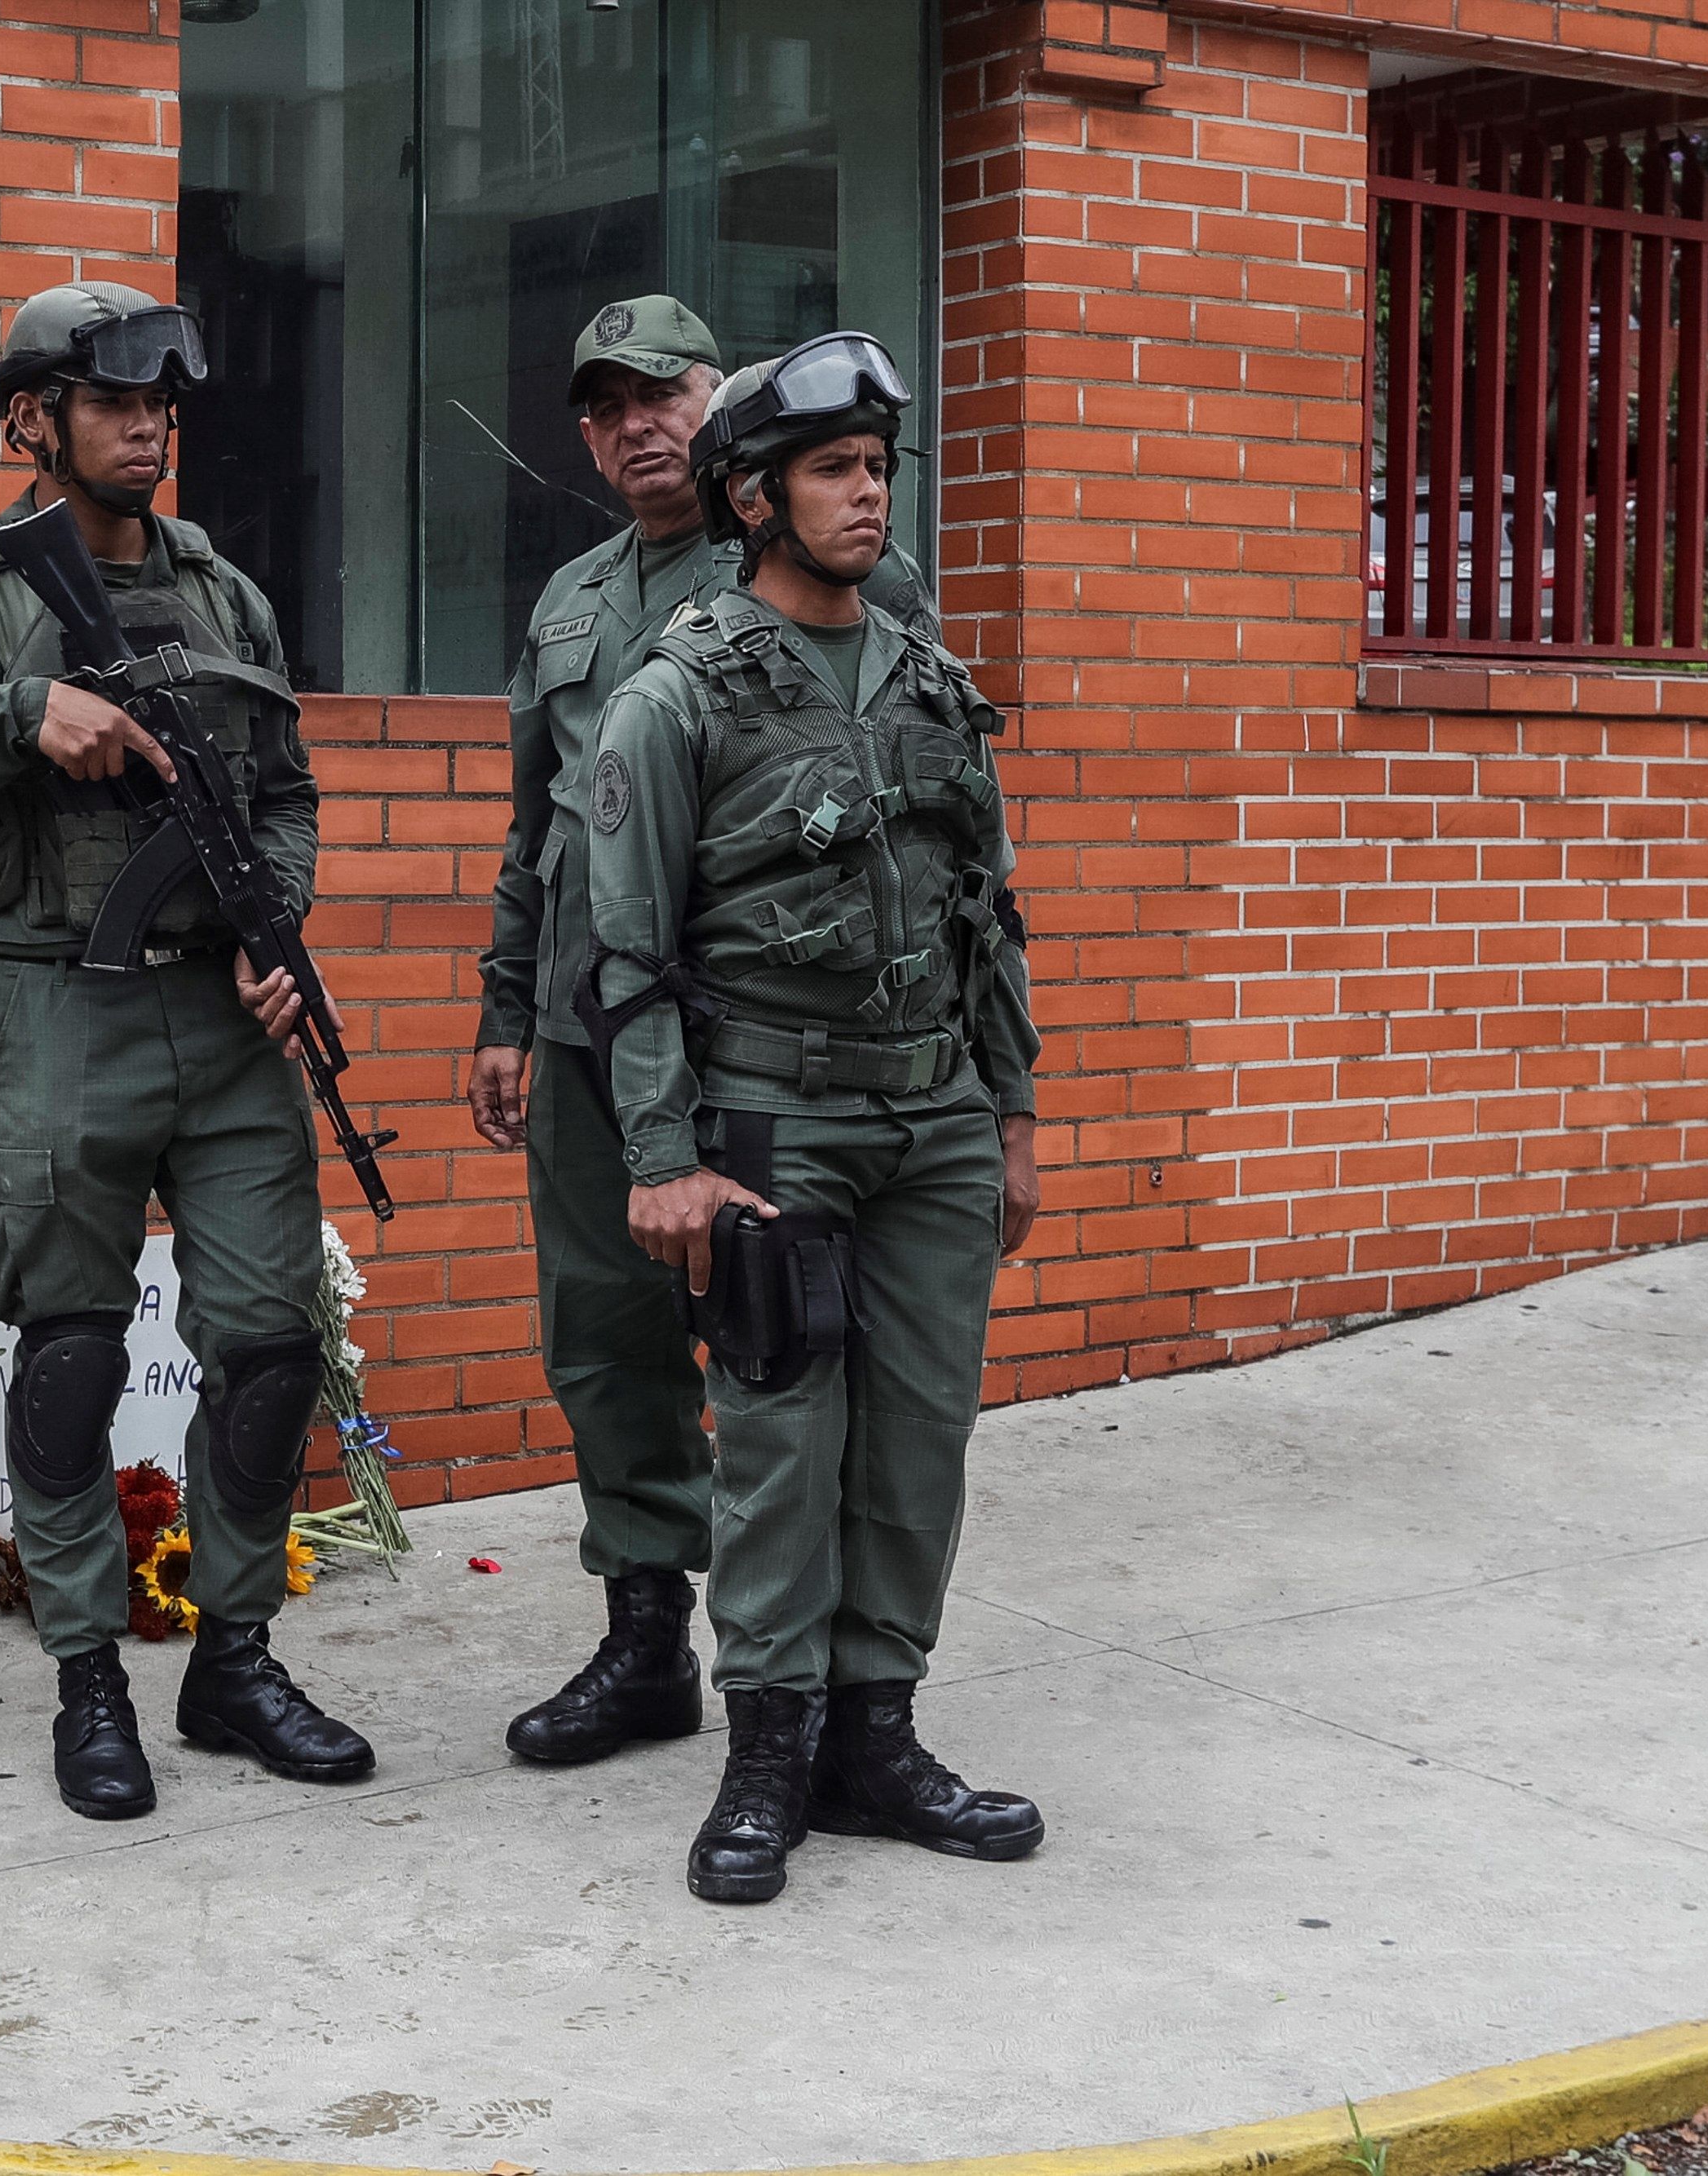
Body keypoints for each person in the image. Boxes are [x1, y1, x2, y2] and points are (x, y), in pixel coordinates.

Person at [0, 281, 371, 1823]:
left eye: (163, 406)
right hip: (62, 1007)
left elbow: (286, 794)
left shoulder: (228, 591)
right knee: (65, 1352)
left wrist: (283, 932)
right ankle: (86, 1679)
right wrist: (18, 716)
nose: (150, 428)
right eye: (116, 402)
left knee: (267, 1349)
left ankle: (235, 1659)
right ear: (30, 420)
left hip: (229, 1018)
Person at [582, 331, 1046, 1904]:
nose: (869, 497)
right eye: (837, 471)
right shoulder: (677, 695)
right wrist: (663, 1158)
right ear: (756, 497)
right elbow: (625, 956)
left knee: (918, 1440)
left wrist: (1017, 1114)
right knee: (781, 1448)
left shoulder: (932, 679)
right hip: (773, 1126)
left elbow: (991, 911)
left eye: (877, 469)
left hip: (935, 1119)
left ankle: (874, 1734)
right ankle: (766, 1753)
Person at [474, 298, 942, 1768]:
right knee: (605, 1337)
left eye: (661, 392)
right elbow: (532, 831)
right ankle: (642, 1641)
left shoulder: (841, 582)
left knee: (768, 1347)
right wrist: (502, 1007)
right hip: (579, 1035)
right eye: (603, 407)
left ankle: (801, 1679)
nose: (635, 426)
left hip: (750, 1046)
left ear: (722, 403)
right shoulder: (568, 604)